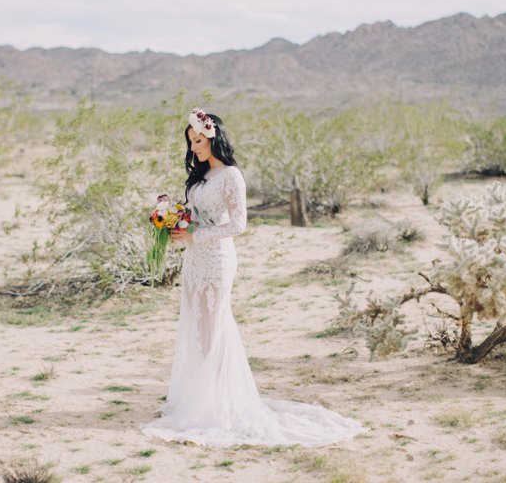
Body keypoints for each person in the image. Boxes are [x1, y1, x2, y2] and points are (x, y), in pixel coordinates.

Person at [141, 108, 369, 447]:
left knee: (214, 325)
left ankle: (217, 406)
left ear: (213, 138)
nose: (194, 149)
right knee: (198, 326)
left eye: (199, 141)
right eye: (191, 143)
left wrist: (196, 236)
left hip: (217, 259)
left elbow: (238, 224)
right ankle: (200, 400)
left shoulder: (231, 176)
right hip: (195, 260)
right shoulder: (201, 177)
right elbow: (198, 215)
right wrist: (178, 222)